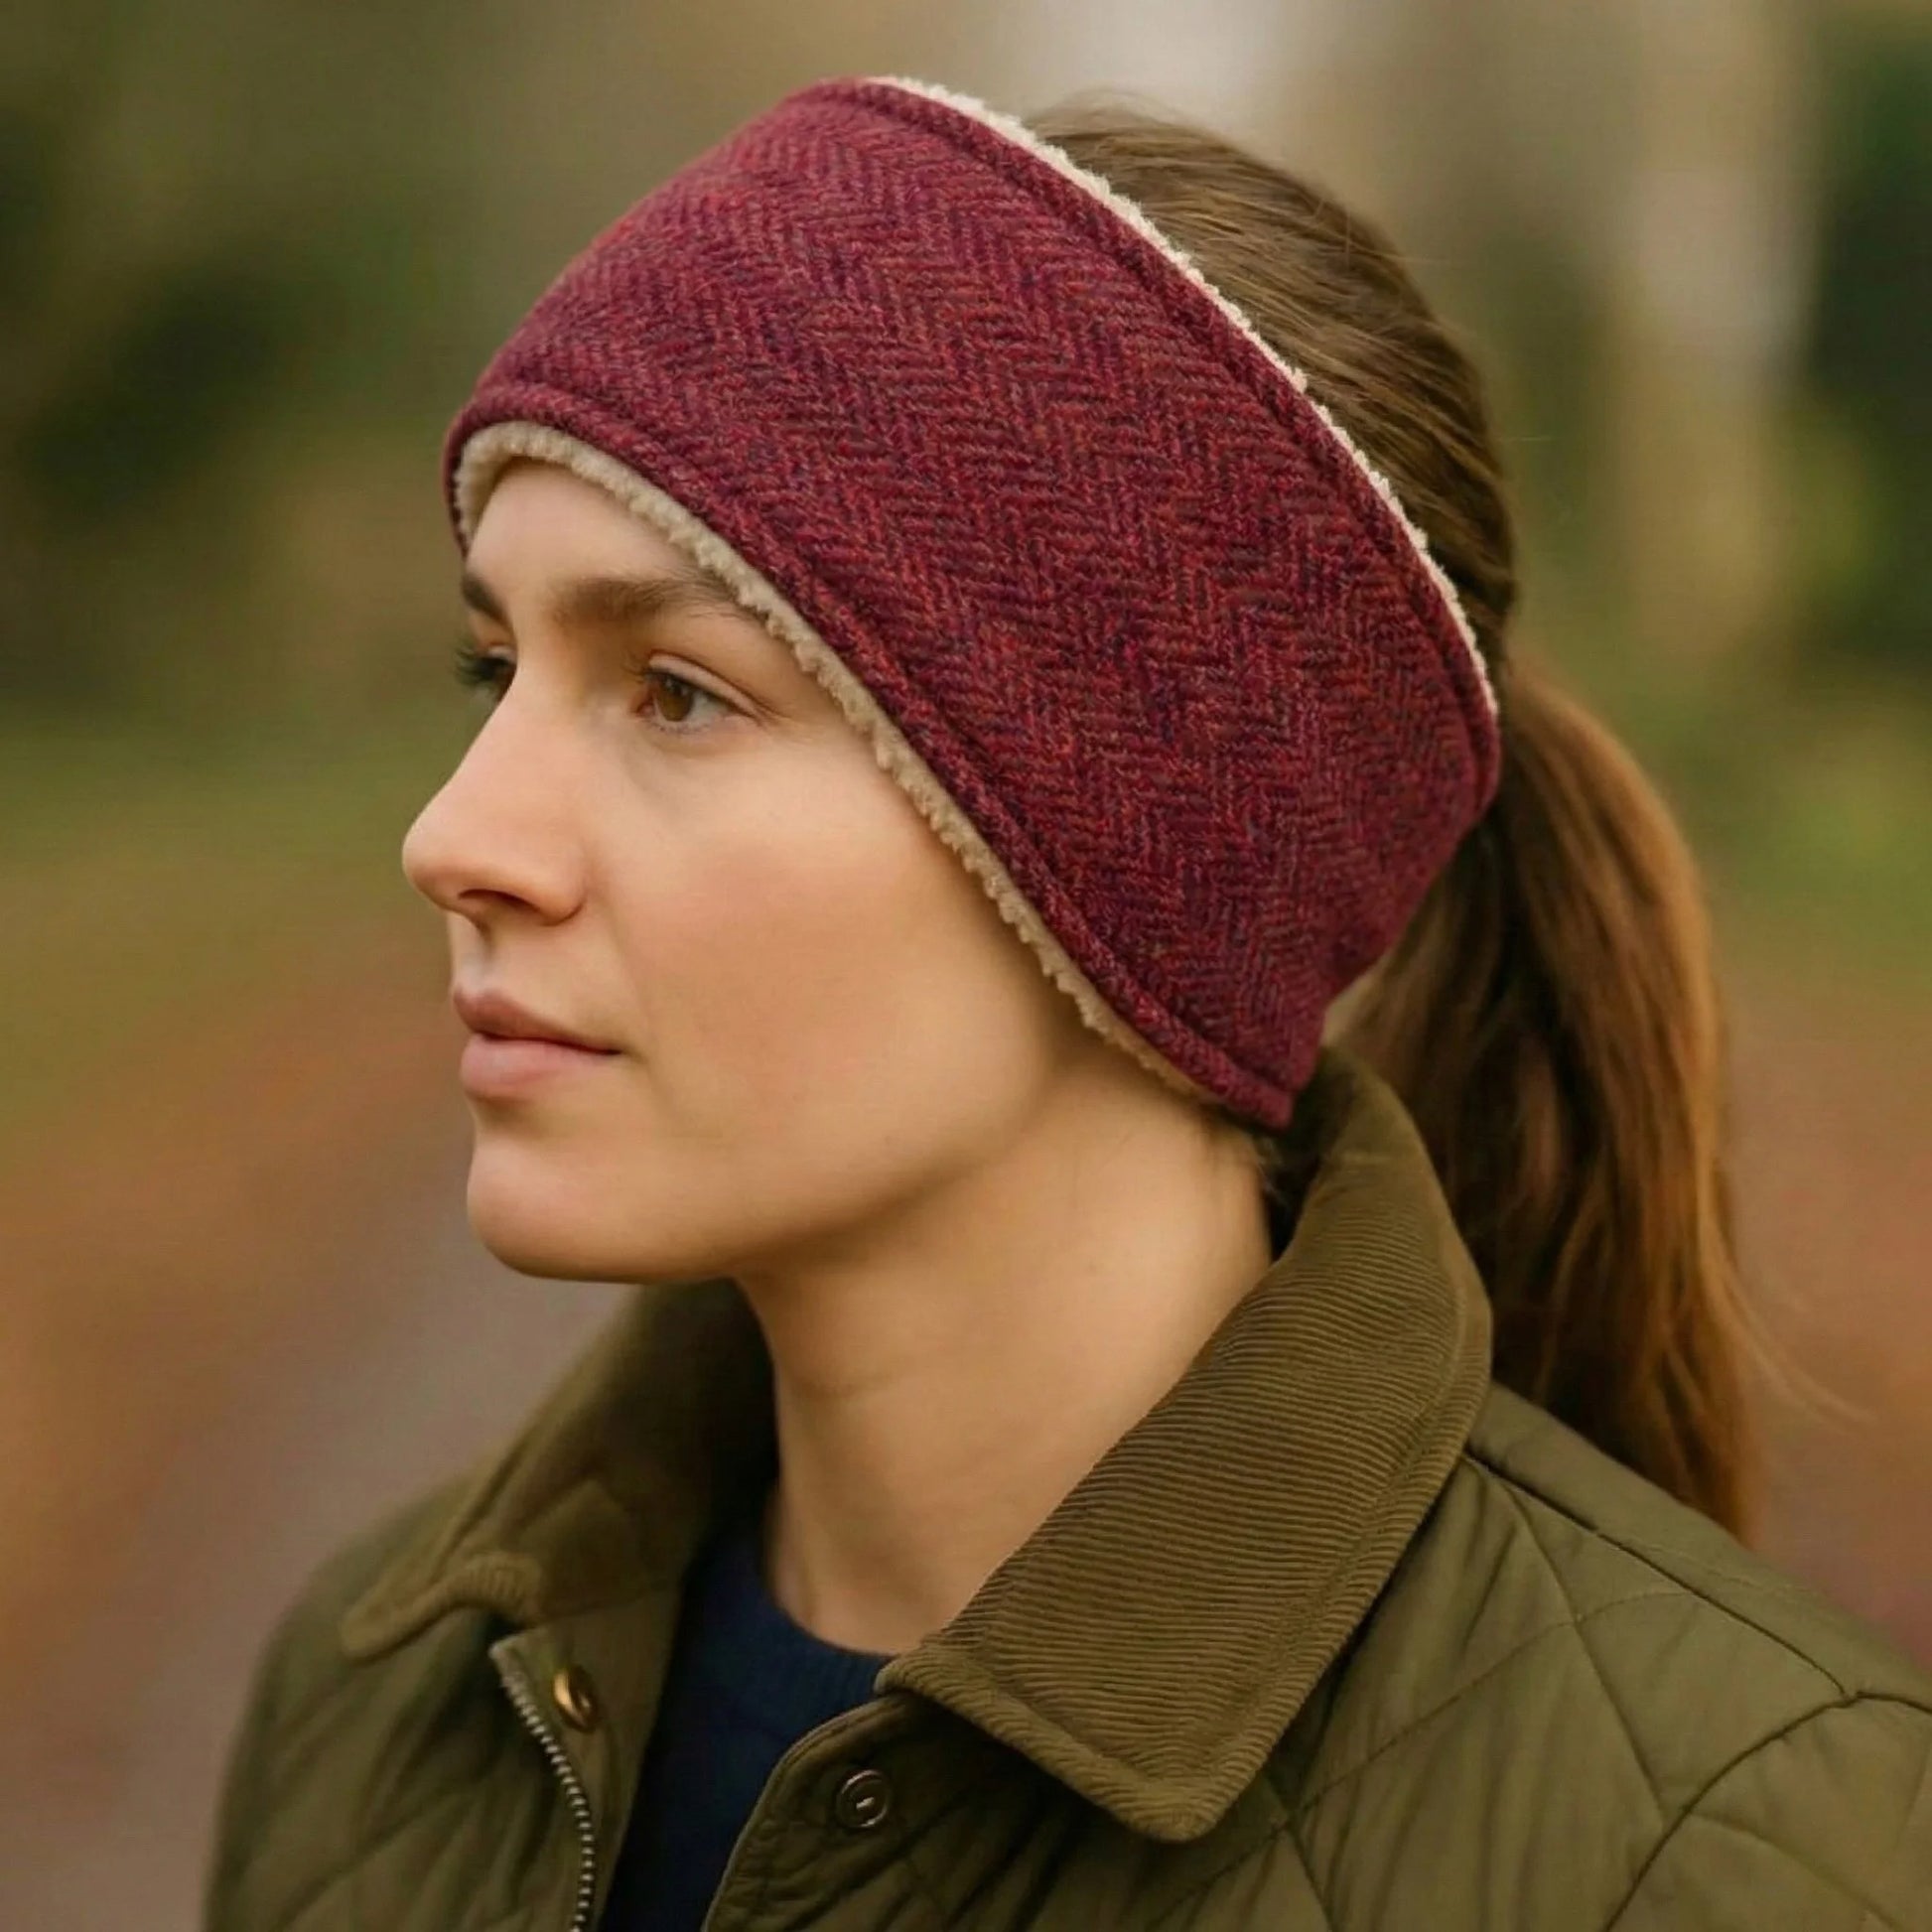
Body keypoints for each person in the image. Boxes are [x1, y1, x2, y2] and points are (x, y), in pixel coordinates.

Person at [202, 74, 1932, 1932]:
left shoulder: (1724, 1852)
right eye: (494, 668)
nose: (458, 836)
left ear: (1141, 856)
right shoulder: (387, 1698)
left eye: (678, 691)